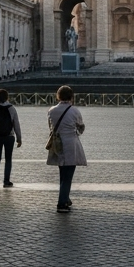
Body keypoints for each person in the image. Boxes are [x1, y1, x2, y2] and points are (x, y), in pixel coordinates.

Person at [47, 85, 85, 213]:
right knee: (68, 175)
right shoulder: (74, 111)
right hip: (70, 144)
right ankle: (62, 203)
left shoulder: (51, 110)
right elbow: (80, 127)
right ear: (71, 97)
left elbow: (50, 128)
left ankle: (66, 198)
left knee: (62, 173)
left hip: (57, 144)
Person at [0, 89, 23, 188]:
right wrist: (19, 138)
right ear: (7, 97)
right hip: (9, 136)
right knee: (8, 159)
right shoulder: (11, 108)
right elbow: (16, 124)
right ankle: (6, 181)